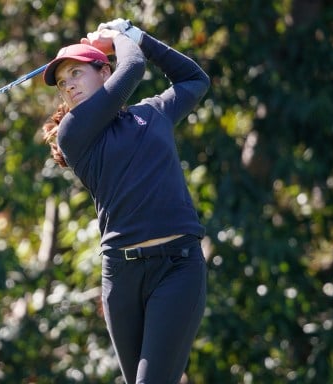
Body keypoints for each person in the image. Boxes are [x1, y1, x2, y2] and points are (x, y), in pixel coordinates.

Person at [41, 18, 210, 384]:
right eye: (62, 83)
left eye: (75, 73)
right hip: (122, 276)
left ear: (104, 71)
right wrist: (121, 36)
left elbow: (195, 80)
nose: (68, 85)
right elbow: (132, 66)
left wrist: (139, 38)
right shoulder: (74, 132)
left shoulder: (154, 113)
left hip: (178, 268)